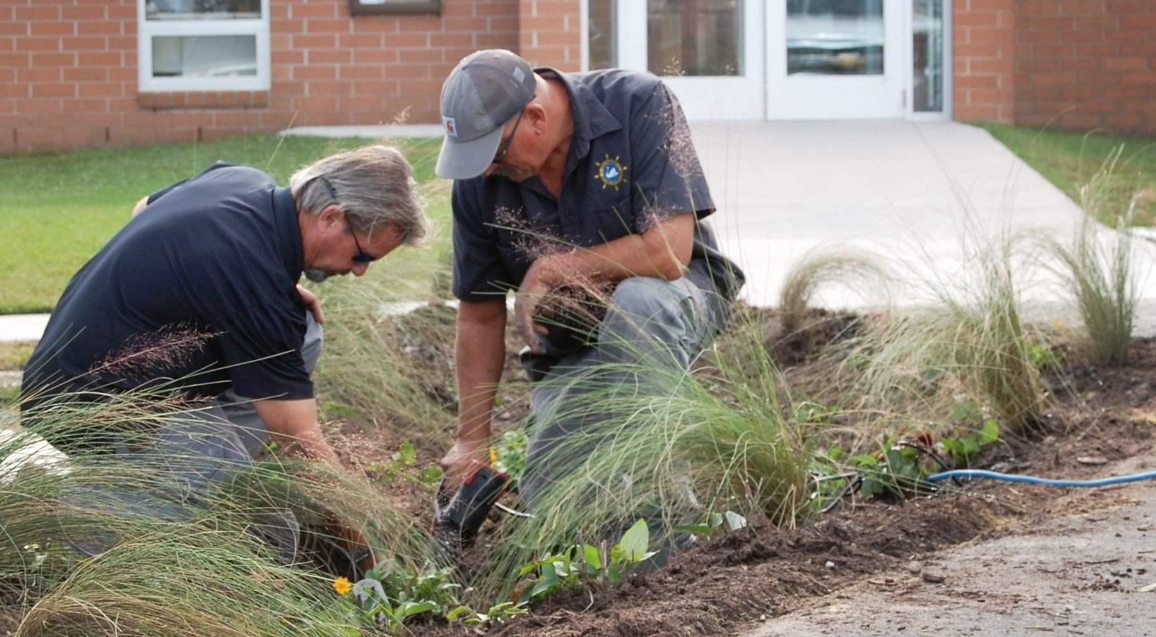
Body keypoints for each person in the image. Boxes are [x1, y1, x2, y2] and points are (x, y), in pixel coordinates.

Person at [20, 144, 430, 561]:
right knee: (264, 539)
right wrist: (364, 542)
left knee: (304, 331)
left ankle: (185, 469)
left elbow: (143, 208)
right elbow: (299, 439)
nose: (360, 270)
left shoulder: (240, 181)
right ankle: (101, 509)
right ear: (330, 218)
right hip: (82, 407)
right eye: (362, 255)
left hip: (75, 373)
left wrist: (229, 287)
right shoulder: (255, 282)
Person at [433, 49, 745, 506]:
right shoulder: (480, 179)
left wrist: (552, 268)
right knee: (550, 495)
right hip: (574, 338)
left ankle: (660, 494)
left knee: (639, 304)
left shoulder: (639, 103)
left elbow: (668, 254)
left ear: (536, 117)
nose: (486, 170)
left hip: (676, 298)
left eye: (495, 155)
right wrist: (471, 440)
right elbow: (479, 317)